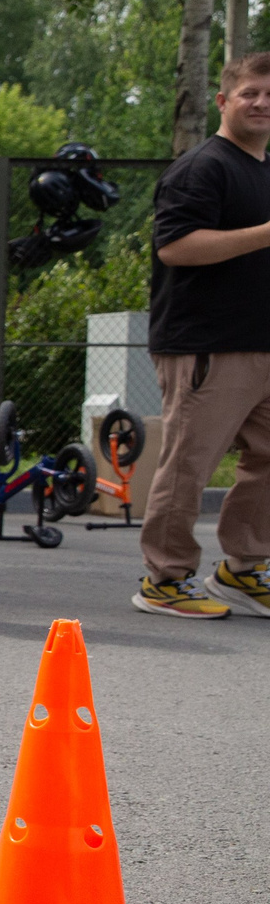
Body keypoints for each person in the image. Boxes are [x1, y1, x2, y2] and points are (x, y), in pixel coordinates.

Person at [134, 51, 270, 618]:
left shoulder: (265, 170)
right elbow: (176, 246)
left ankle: (243, 568)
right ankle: (163, 581)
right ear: (223, 101)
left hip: (261, 342)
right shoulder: (202, 167)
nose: (262, 104)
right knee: (188, 464)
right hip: (206, 347)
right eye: (251, 94)